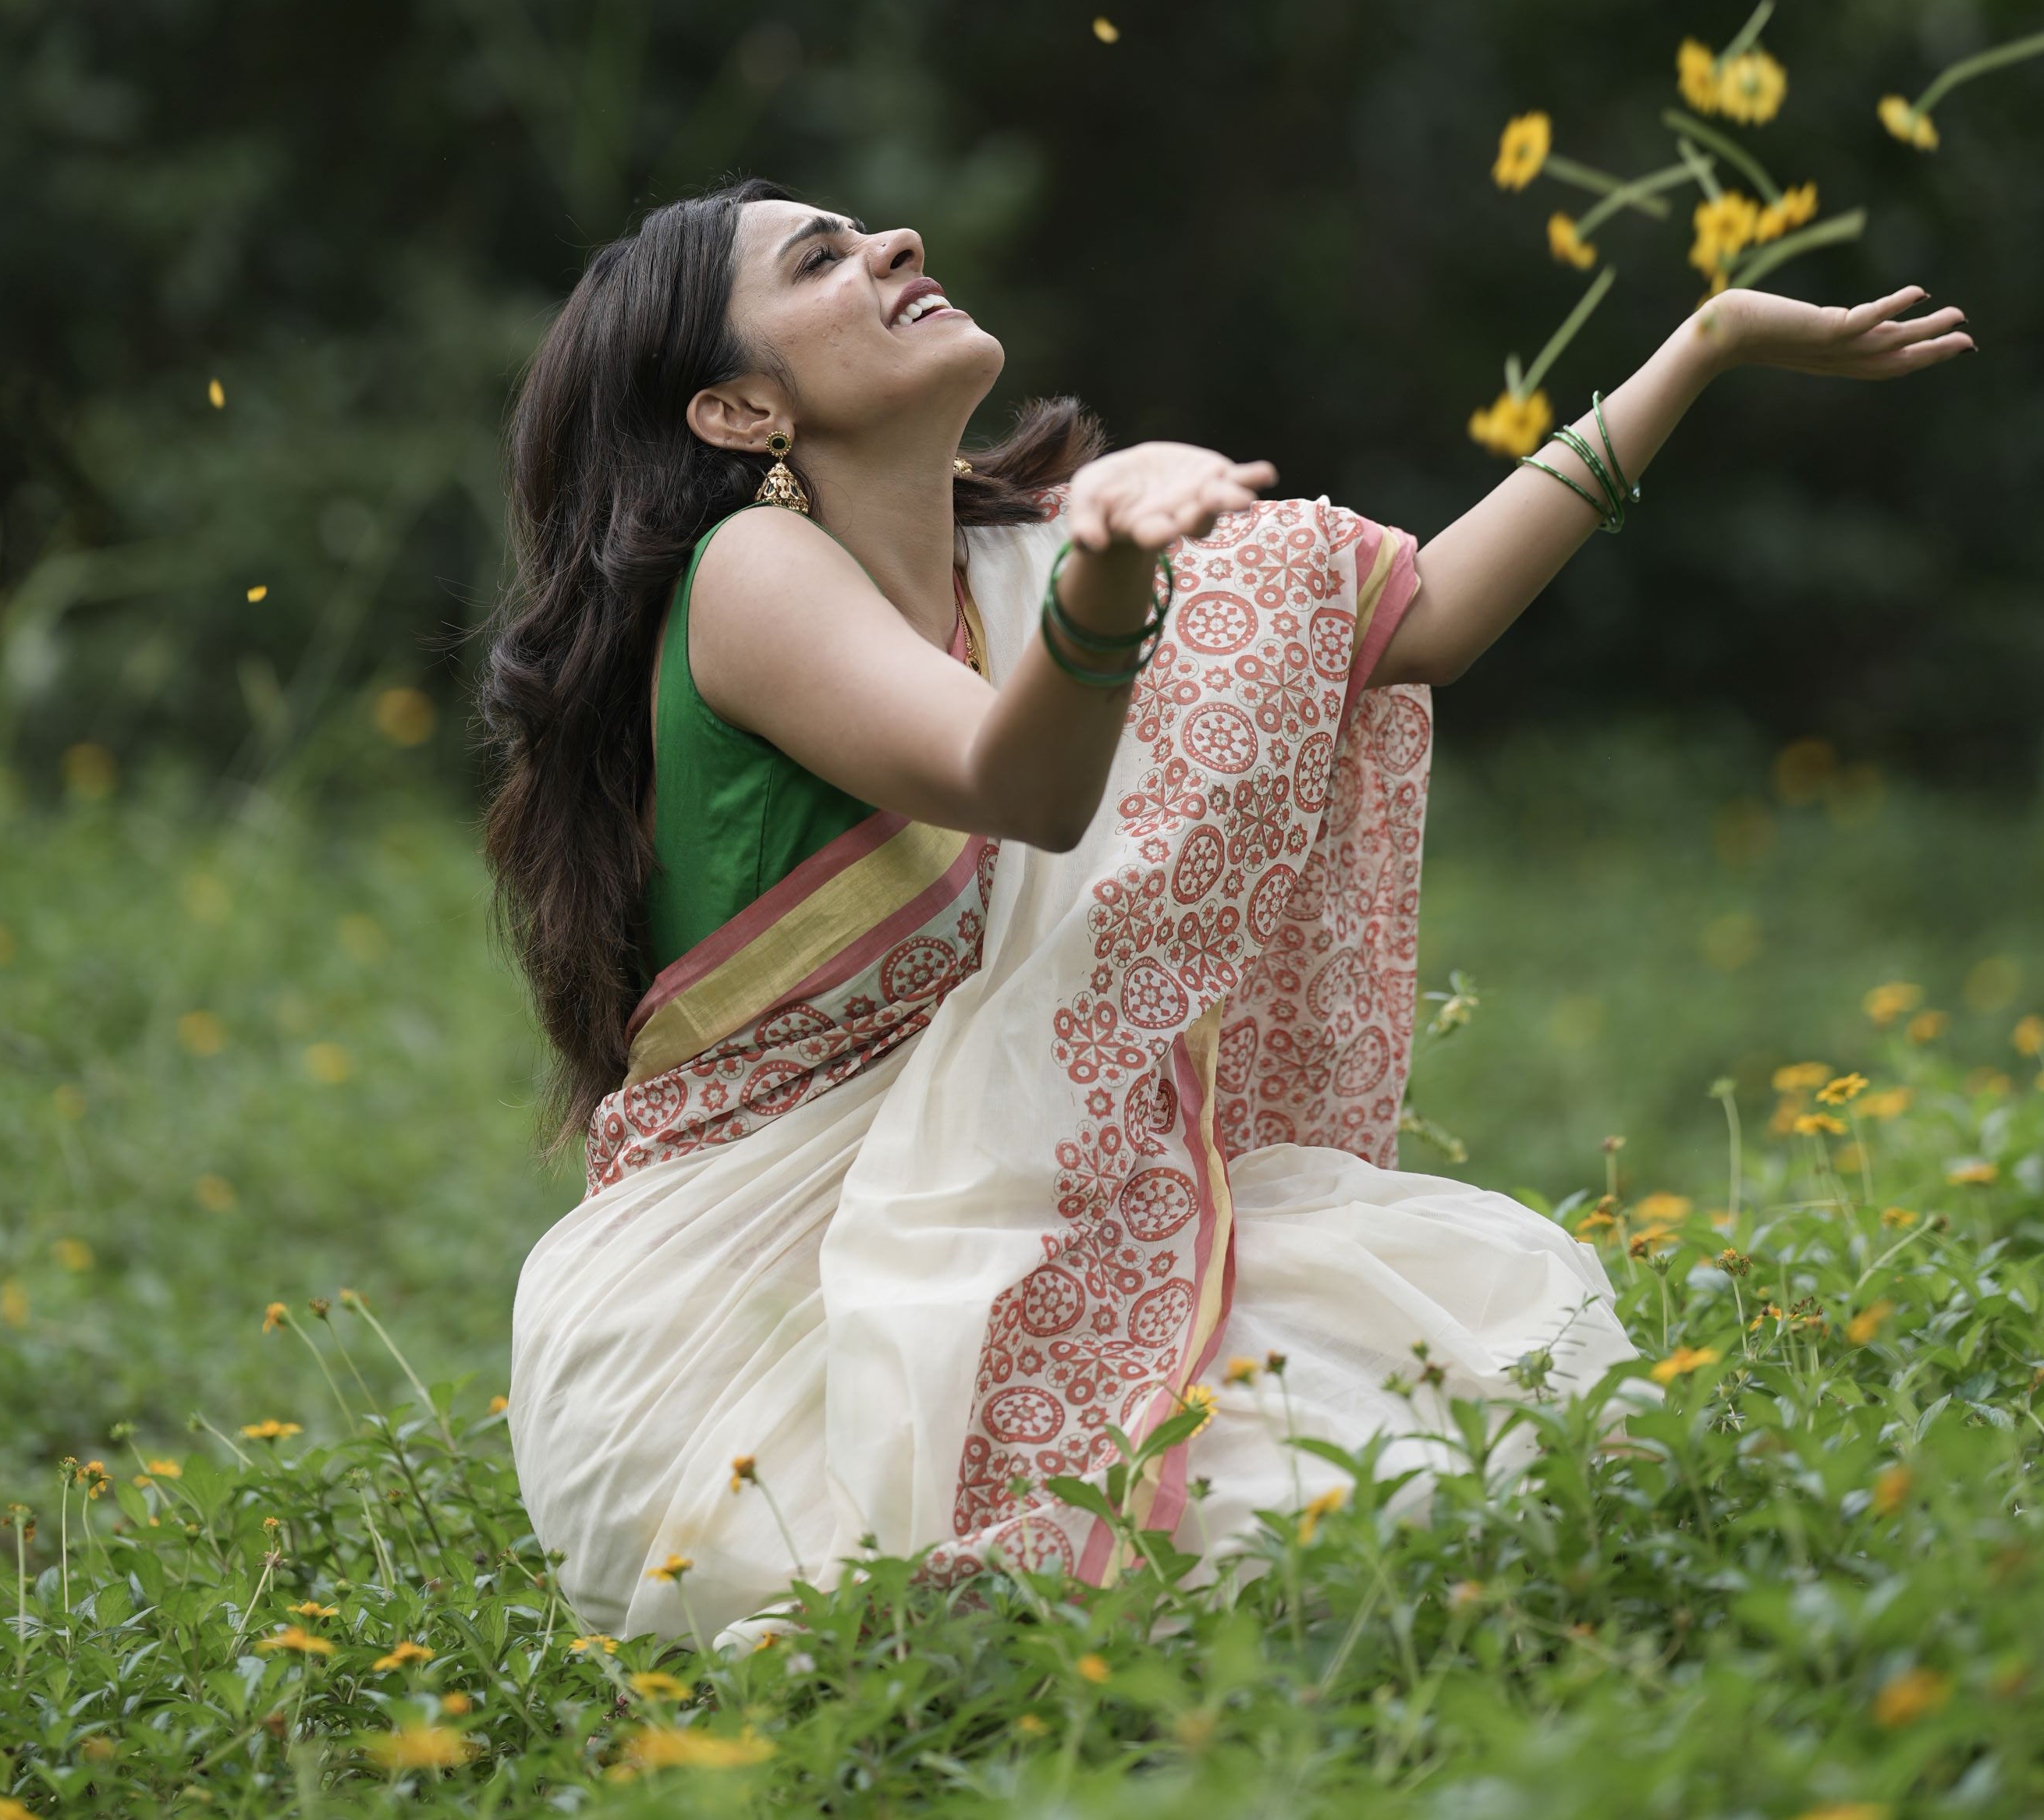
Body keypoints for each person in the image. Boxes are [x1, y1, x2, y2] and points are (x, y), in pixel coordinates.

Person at [484, 179, 1971, 1640]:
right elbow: (1021, 787)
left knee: (1483, 1357)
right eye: (822, 262)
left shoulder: (1024, 562)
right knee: (1324, 1507)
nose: (895, 243)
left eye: (867, 231)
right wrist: (1111, 579)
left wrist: (1699, 346)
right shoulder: (749, 572)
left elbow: (1424, 621)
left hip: (985, 1244)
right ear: (740, 413)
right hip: (729, 1364)